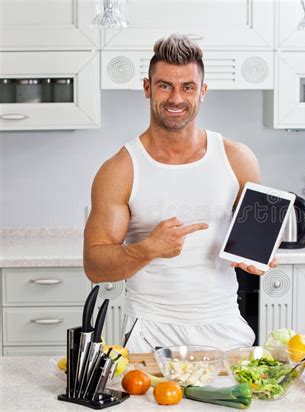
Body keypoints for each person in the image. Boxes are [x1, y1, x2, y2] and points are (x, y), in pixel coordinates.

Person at [83, 34, 278, 352]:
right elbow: (94, 265)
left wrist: (259, 257)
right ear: (147, 88)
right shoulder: (120, 169)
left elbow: (261, 238)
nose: (176, 98)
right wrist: (148, 249)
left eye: (187, 87)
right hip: (150, 332)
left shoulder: (238, 158)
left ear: (202, 91)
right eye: (164, 86)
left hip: (224, 327)